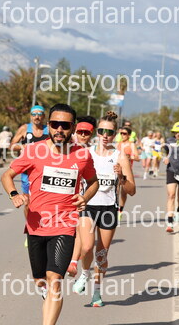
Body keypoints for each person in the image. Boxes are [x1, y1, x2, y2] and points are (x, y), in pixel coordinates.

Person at [1, 103, 99, 325]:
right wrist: (14, 194)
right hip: (36, 226)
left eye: (65, 125)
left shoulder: (82, 155)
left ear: (73, 127)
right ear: (48, 125)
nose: (59, 129)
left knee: (55, 279)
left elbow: (94, 182)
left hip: (65, 225)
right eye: (55, 124)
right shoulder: (34, 151)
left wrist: (85, 197)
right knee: (41, 280)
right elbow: (7, 176)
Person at [72, 111, 136, 307]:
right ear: (96, 133)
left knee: (101, 255)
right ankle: (84, 273)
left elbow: (132, 190)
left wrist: (121, 177)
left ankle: (97, 292)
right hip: (88, 206)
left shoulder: (120, 157)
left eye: (109, 132)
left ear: (115, 134)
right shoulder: (86, 153)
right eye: (101, 131)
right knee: (86, 247)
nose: (105, 135)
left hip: (108, 209)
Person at [67, 116, 97, 278]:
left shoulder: (94, 151)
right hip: (68, 196)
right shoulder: (68, 148)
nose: (83, 135)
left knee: (81, 231)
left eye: (87, 133)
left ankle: (73, 263)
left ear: (91, 134)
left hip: (87, 198)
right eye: (80, 132)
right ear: (75, 131)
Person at [10, 105, 49, 194]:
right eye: (34, 114)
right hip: (27, 167)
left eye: (39, 114)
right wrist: (24, 146)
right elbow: (12, 146)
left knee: (41, 194)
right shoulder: (25, 128)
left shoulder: (48, 130)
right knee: (27, 196)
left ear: (43, 116)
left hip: (43, 167)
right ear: (31, 116)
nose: (36, 117)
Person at [116, 126, 138, 215]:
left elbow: (137, 157)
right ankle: (115, 206)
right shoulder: (118, 144)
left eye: (124, 133)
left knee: (124, 191)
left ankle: (120, 209)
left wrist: (129, 157)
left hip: (127, 169)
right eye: (121, 133)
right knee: (116, 188)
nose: (122, 135)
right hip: (117, 169)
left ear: (129, 135)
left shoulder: (131, 144)